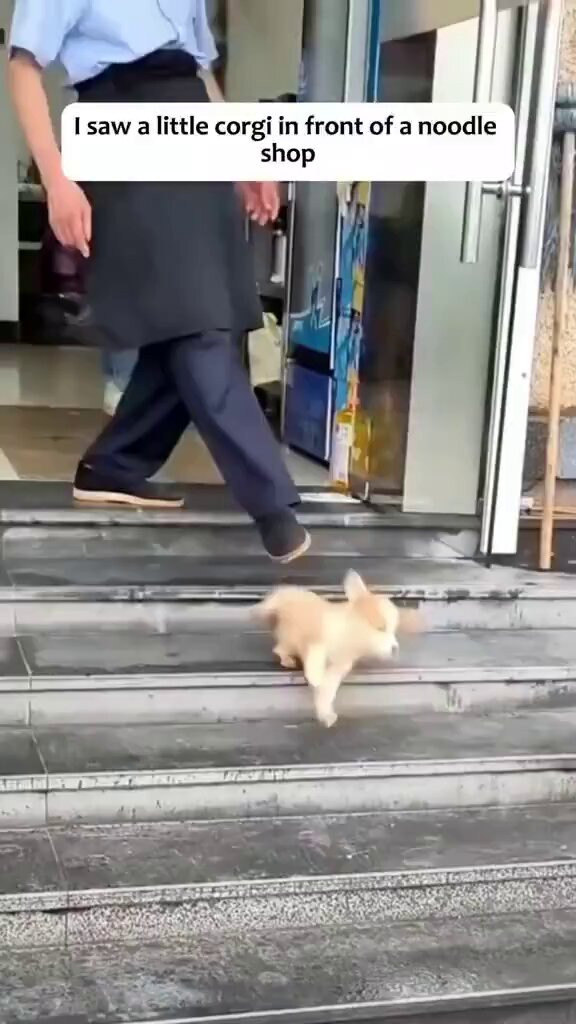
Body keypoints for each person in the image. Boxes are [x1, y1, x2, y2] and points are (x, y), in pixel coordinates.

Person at [8, 0, 310, 564]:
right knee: (197, 328)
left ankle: (113, 465)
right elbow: (23, 67)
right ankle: (273, 506)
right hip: (122, 132)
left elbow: (201, 74)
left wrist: (243, 159)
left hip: (191, 136)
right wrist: (57, 180)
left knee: (206, 318)